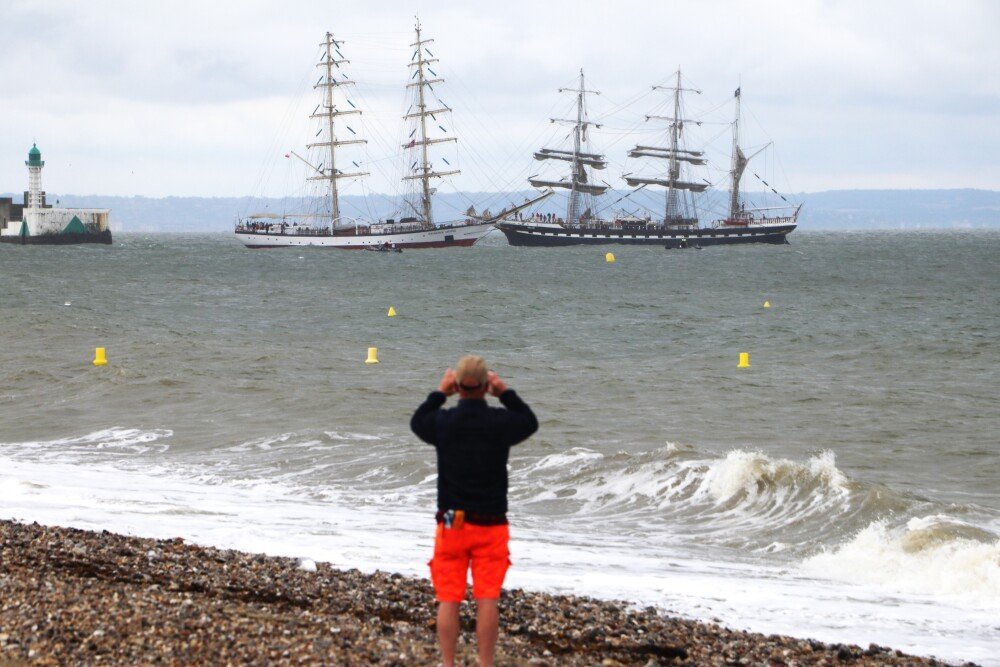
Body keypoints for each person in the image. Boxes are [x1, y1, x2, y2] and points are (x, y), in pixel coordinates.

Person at [410, 355, 538, 667]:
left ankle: (449, 663)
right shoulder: (500, 422)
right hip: (492, 522)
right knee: (487, 599)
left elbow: (418, 421)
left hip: (453, 520)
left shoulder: (444, 422)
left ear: (457, 386)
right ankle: (485, 663)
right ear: (486, 386)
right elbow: (529, 421)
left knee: (449, 598)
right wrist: (504, 392)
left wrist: (440, 393)